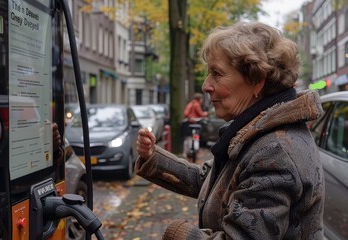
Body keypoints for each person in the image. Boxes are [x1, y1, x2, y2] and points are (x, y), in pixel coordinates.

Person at [135, 21, 324, 239]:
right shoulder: (258, 133)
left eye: (216, 73)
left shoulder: (273, 152)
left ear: (256, 80)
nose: (206, 85)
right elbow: (213, 181)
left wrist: (178, 234)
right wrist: (153, 158)